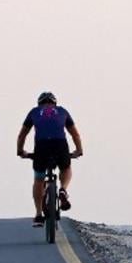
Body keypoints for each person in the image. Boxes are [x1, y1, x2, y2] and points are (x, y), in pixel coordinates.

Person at [17, 92, 83, 227]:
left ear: (39, 103)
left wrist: (21, 151)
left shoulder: (34, 112)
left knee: (39, 178)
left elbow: (22, 134)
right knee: (66, 168)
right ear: (54, 103)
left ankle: (38, 215)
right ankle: (63, 189)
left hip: (42, 146)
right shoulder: (62, 111)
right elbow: (75, 133)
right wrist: (78, 150)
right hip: (60, 144)